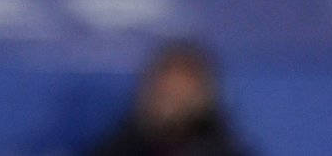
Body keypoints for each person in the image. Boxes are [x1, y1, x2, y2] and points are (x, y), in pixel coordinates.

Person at [88, 40, 253, 156]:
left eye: (180, 93)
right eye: (162, 92)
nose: (169, 98)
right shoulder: (117, 149)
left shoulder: (224, 150)